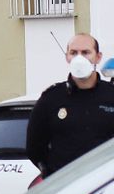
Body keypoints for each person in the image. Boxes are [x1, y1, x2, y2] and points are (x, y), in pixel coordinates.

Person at [26, 33, 114, 177]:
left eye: (86, 52)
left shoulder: (111, 95)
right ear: (67, 57)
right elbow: (34, 147)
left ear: (98, 57)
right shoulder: (51, 98)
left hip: (104, 188)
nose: (79, 58)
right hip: (65, 189)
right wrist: (51, 173)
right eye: (73, 53)